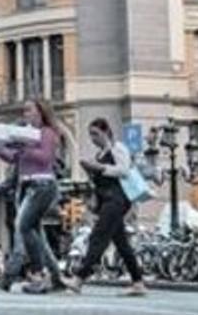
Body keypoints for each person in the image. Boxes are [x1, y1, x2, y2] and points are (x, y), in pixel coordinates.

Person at [0, 99, 72, 294]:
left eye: (29, 110)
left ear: (41, 112)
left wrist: (24, 146)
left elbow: (45, 158)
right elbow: (15, 159)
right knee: (36, 235)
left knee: (23, 226)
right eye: (24, 111)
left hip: (42, 185)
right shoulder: (26, 135)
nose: (25, 114)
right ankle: (56, 279)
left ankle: (38, 275)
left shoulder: (47, 133)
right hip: (28, 186)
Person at [62, 118, 147, 296]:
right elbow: (98, 181)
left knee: (97, 237)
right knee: (122, 244)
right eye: (90, 134)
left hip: (117, 200)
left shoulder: (118, 148)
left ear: (106, 131)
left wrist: (99, 167)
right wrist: (89, 169)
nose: (93, 138)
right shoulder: (99, 154)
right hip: (106, 201)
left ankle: (78, 279)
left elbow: (124, 170)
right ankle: (138, 282)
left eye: (96, 134)